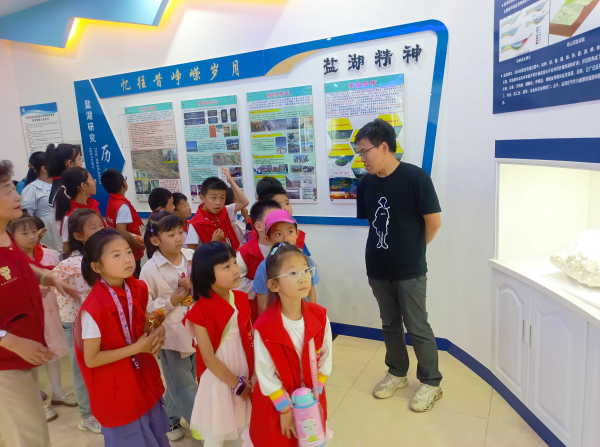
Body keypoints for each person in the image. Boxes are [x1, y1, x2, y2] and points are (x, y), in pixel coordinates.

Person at [355, 118, 443, 412]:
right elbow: (372, 224)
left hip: (410, 270)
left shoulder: (417, 178)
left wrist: (413, 250)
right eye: (359, 152)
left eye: (365, 151)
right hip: (378, 267)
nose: (362, 157)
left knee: (417, 326)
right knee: (389, 324)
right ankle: (397, 372)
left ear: (384, 147)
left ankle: (431, 382)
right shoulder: (365, 184)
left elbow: (433, 223)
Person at [0, 160, 81, 447]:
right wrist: (9, 340)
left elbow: (19, 264)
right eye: (8, 190)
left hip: (22, 355)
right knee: (29, 436)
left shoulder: (5, 235)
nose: (17, 195)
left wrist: (49, 278)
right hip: (6, 362)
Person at [74, 228, 169, 445]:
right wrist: (137, 348)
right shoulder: (93, 309)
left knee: (155, 434)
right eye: (116, 255)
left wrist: (157, 328)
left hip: (143, 379)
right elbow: (91, 359)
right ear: (97, 267)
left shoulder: (138, 288)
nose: (127, 259)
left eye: (128, 252)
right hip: (117, 389)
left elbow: (141, 325)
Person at [246, 242, 332, 447]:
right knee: (280, 440)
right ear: (274, 285)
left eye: (306, 270)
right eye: (293, 273)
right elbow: (265, 373)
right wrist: (285, 409)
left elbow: (326, 358)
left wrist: (315, 393)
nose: (303, 278)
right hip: (277, 403)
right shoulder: (264, 327)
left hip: (311, 398)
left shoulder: (320, 316)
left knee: (311, 439)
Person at [185, 241, 254, 446]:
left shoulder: (240, 298)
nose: (236, 270)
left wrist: (252, 376)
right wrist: (236, 384)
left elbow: (249, 338)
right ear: (207, 274)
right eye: (226, 266)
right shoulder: (200, 311)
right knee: (216, 432)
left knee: (241, 425)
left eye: (235, 262)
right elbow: (208, 358)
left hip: (243, 370)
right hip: (219, 378)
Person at [8, 211, 75, 423]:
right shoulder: (10, 259)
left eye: (34, 231)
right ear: (11, 236)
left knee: (52, 352)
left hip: (51, 311)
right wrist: (34, 288)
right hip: (28, 315)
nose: (31, 236)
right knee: (32, 357)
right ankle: (38, 401)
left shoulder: (48, 254)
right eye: (24, 233)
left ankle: (58, 393)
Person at [140, 212, 197, 442]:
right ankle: (203, 428)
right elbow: (146, 308)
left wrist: (193, 285)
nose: (178, 238)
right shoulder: (150, 269)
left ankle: (170, 417)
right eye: (171, 235)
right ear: (156, 240)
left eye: (180, 232)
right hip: (171, 336)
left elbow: (205, 286)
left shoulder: (191, 256)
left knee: (187, 379)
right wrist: (172, 300)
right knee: (184, 384)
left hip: (195, 329)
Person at [52, 208, 104, 433]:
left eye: (101, 226)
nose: (100, 230)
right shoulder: (71, 263)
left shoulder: (99, 256)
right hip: (75, 323)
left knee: (98, 366)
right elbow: (49, 281)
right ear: (78, 235)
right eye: (94, 228)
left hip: (97, 321)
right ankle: (86, 415)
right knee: (81, 369)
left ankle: (98, 408)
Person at [253, 210, 319, 315]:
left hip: (303, 316)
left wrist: (311, 316)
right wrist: (268, 323)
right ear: (268, 239)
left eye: (290, 232)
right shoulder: (265, 267)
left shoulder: (305, 260)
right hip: (277, 319)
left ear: (297, 233)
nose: (286, 238)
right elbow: (262, 302)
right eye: (278, 234)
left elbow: (311, 292)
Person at [236, 199, 281, 323]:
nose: (278, 223)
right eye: (273, 219)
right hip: (255, 316)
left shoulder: (288, 249)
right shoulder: (244, 253)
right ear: (258, 226)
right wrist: (265, 287)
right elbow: (235, 282)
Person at [186, 168, 248, 250]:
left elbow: (244, 202)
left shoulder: (224, 211)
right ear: (202, 198)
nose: (218, 203)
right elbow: (191, 253)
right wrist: (213, 242)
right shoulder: (195, 223)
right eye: (213, 198)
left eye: (222, 198)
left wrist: (231, 181)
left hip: (232, 254)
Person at [102, 168, 145, 277]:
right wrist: (139, 246)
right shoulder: (122, 206)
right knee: (134, 276)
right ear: (124, 184)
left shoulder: (111, 201)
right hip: (130, 250)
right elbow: (122, 231)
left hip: (118, 247)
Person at [250, 185, 310, 256]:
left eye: (287, 203)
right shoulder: (249, 249)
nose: (285, 209)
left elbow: (307, 261)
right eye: (278, 205)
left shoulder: (296, 237)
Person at [55, 167, 103, 254]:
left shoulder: (92, 204)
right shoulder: (70, 216)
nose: (95, 183)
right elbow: (66, 247)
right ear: (84, 185)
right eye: (92, 180)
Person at [45, 144, 83, 254]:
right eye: (79, 160)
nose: (81, 164)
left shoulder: (58, 186)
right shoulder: (65, 190)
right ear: (70, 163)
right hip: (74, 250)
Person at [21, 151, 60, 250]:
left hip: (62, 225)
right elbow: (27, 215)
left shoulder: (59, 184)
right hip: (46, 229)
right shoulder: (32, 188)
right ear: (44, 168)